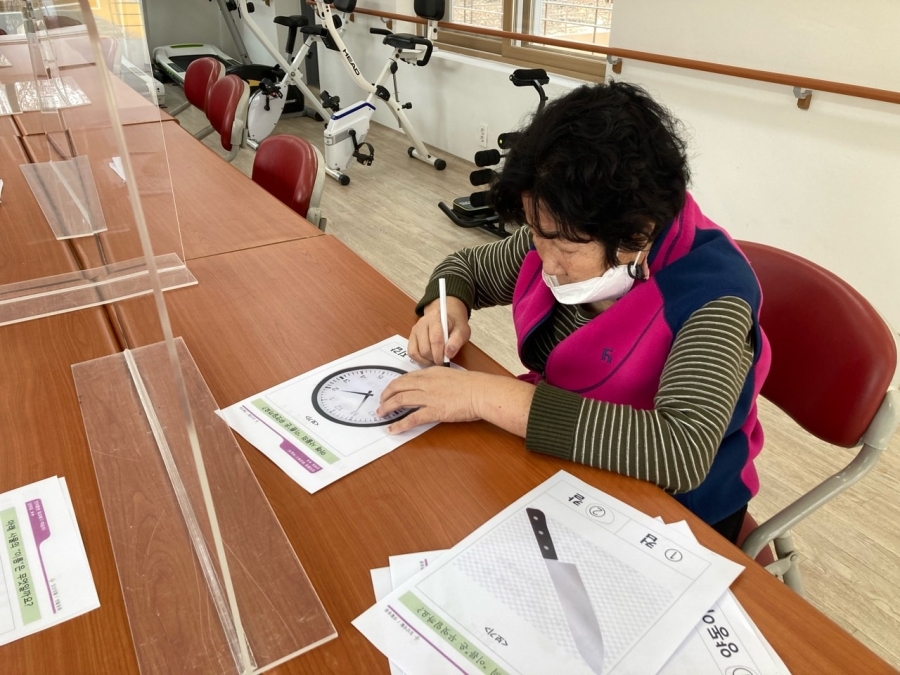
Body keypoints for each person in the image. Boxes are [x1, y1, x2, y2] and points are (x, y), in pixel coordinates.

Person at [377, 81, 771, 543]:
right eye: (535, 232)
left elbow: (679, 451)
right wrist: (445, 308)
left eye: (564, 247)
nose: (545, 261)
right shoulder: (561, 226)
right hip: (569, 455)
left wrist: (483, 395)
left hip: (674, 511)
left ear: (636, 233)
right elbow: (465, 268)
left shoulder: (713, 296)